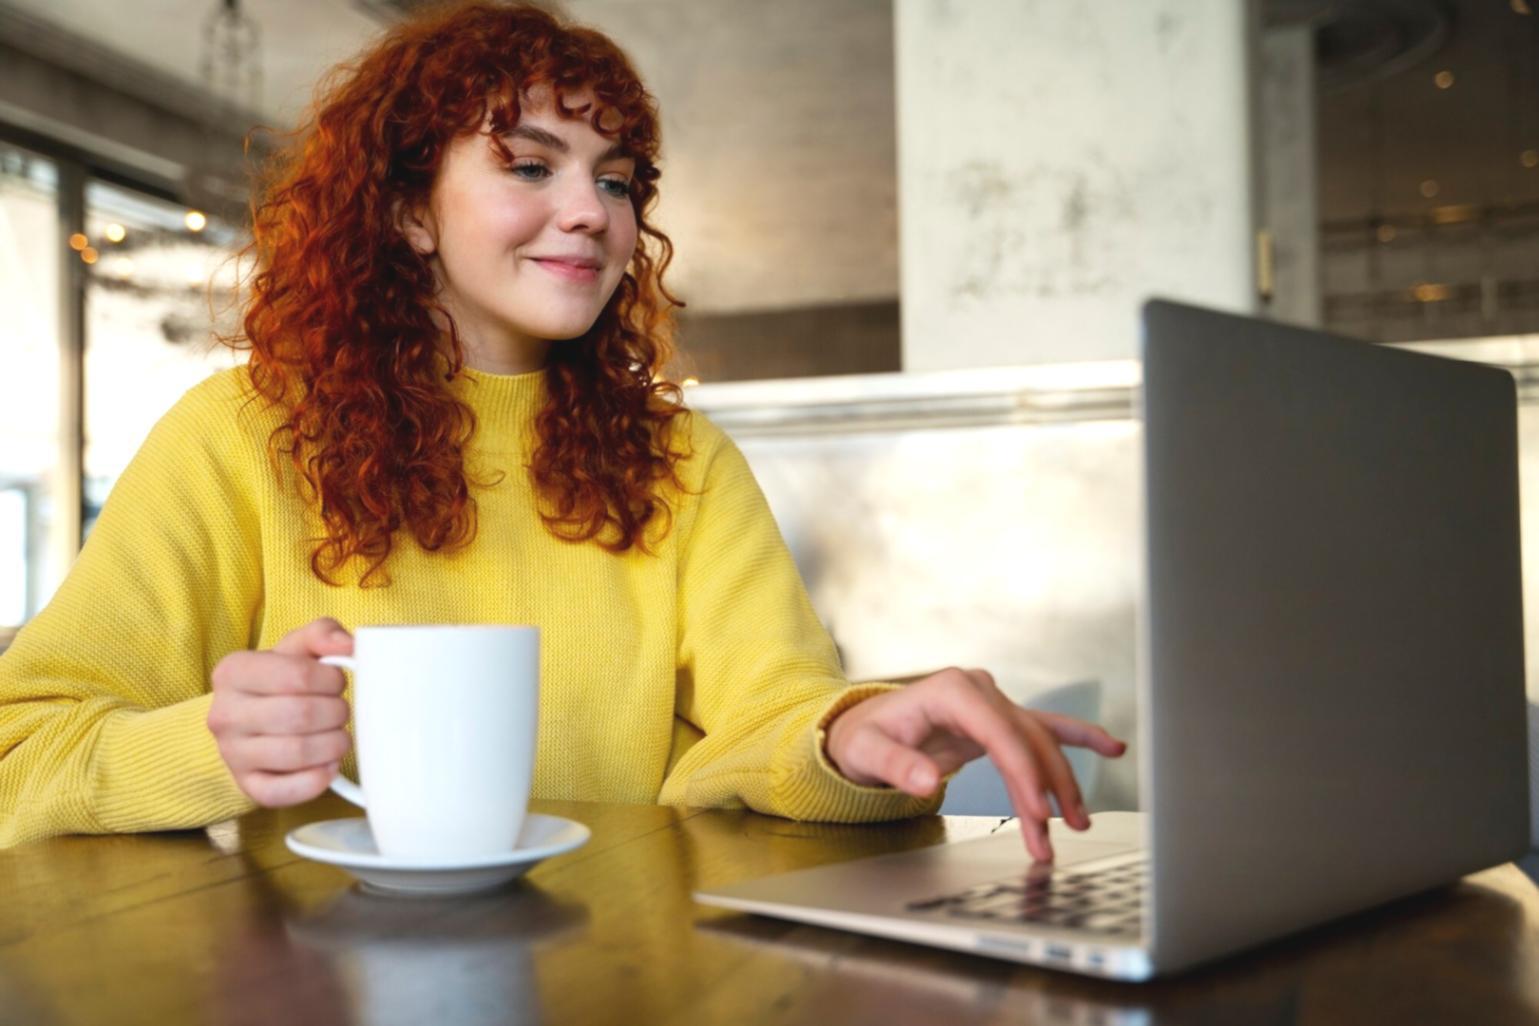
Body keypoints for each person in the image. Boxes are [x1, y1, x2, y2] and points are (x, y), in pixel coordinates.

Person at [0, 0, 1124, 859]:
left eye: (618, 181)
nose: (593, 212)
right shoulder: (240, 437)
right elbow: (24, 755)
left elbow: (768, 716)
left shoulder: (682, 462)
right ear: (407, 210)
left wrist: (849, 736)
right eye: (531, 166)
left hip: (632, 975)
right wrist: (209, 744)